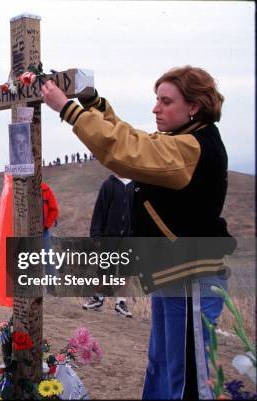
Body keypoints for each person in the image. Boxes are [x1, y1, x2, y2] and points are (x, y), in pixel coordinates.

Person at [41, 66, 232, 399]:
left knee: (186, 376)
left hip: (191, 277)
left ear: (194, 107)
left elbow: (125, 152)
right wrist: (94, 103)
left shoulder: (192, 148)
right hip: (172, 271)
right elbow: (130, 138)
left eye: (166, 101)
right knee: (163, 364)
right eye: (156, 100)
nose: (155, 108)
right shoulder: (180, 141)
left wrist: (70, 111)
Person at [82, 174, 135, 317]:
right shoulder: (108, 185)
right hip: (109, 234)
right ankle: (98, 298)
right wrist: (96, 235)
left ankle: (121, 303)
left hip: (130, 235)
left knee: (126, 270)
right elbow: (99, 210)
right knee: (104, 267)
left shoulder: (136, 185)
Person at [41, 181, 59, 276]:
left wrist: (46, 225)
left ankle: (51, 287)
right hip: (24, 233)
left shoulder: (45, 189)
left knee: (48, 259)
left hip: (43, 232)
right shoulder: (19, 189)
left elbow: (54, 209)